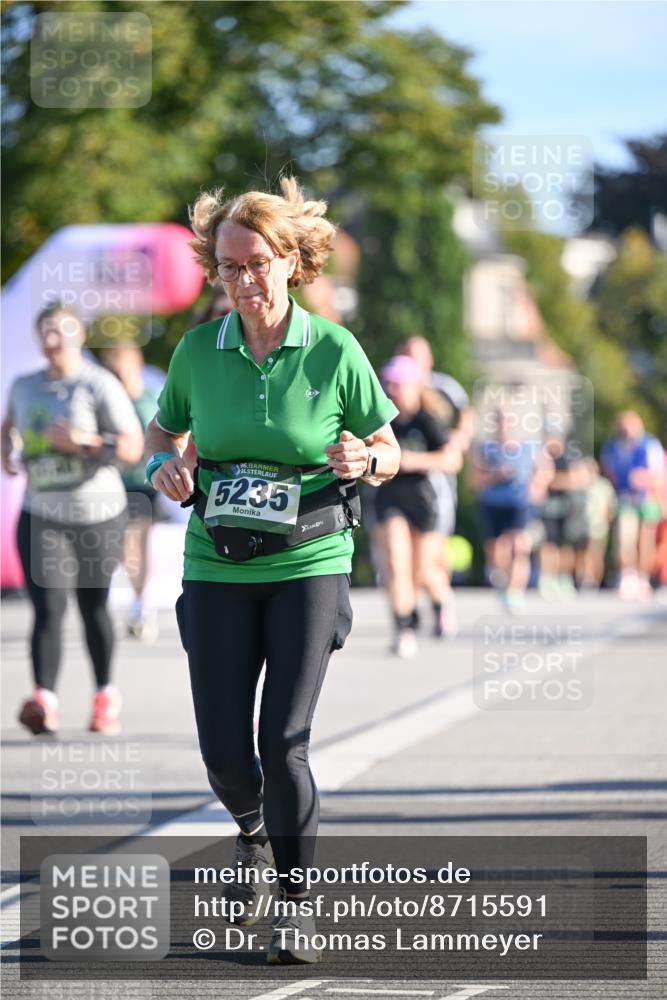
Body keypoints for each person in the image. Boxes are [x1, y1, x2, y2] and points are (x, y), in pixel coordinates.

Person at [143, 177, 400, 964]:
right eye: (227, 268)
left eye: (256, 263)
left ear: (291, 261)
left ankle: (296, 901)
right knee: (224, 750)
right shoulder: (197, 350)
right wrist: (166, 467)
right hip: (217, 562)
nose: (243, 281)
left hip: (311, 559)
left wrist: (367, 458)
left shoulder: (332, 348)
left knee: (282, 738)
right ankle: (251, 835)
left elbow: (387, 448)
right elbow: (161, 434)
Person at [1, 303, 143, 735]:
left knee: (92, 607)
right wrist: (8, 451)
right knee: (47, 607)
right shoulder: (25, 385)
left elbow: (132, 446)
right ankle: (44, 700)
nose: (54, 340)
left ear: (79, 337)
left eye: (62, 332)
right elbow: (7, 427)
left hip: (97, 514)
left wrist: (82, 442)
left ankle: (105, 695)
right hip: (42, 512)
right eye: (46, 332)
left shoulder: (97, 384)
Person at [372, 354, 462, 658]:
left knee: (422, 571)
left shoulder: (428, 422)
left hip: (425, 501)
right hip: (390, 499)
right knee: (396, 565)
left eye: (397, 384)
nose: (391, 389)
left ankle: (441, 602)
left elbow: (452, 460)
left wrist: (411, 461)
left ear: (413, 387)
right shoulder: (383, 421)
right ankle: (404, 628)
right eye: (388, 383)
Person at [396, 335, 473, 636]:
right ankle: (418, 608)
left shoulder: (444, 386)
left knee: (430, 555)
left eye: (419, 356)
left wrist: (458, 440)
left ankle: (440, 600)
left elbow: (467, 416)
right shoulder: (394, 384)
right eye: (408, 355)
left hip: (436, 483)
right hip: (401, 485)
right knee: (408, 556)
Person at [101, 341, 162, 641]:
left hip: (142, 484)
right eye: (112, 372)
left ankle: (141, 605)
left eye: (121, 370)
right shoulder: (108, 404)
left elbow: (161, 437)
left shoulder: (148, 399)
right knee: (123, 548)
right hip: (112, 483)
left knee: (135, 543)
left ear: (135, 367)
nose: (117, 377)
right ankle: (137, 602)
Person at [470, 409, 547, 614]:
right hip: (492, 503)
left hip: (519, 503)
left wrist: (537, 486)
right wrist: (496, 476)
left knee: (519, 545)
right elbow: (475, 480)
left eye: (509, 421)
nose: (505, 426)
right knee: (496, 551)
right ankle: (503, 583)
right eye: (502, 421)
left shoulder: (528, 447)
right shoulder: (485, 448)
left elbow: (545, 470)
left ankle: (515, 592)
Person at [601, 411, 665, 600]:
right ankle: (628, 576)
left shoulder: (649, 444)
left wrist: (643, 479)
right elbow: (608, 468)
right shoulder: (612, 445)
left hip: (647, 498)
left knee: (646, 541)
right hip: (625, 497)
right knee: (624, 538)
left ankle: (643, 578)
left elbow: (659, 474)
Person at [538, 429, 589, 599]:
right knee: (549, 544)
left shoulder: (570, 457)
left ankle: (564, 578)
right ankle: (547, 578)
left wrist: (557, 480)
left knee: (566, 545)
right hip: (548, 508)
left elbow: (578, 479)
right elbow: (543, 479)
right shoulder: (542, 457)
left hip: (568, 508)